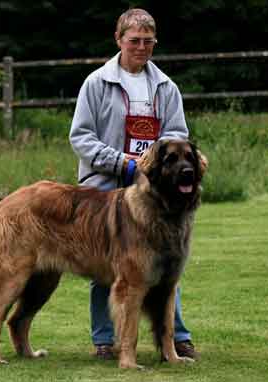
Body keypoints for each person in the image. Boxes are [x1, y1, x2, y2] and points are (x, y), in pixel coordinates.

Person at [69, 8, 200, 361]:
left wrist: (152, 166)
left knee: (167, 261)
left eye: (148, 41)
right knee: (105, 265)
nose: (141, 47)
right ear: (119, 40)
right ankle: (104, 340)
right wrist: (121, 164)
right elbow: (80, 137)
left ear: (154, 42)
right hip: (103, 186)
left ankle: (176, 337)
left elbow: (177, 135)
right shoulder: (96, 83)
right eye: (134, 41)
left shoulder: (165, 86)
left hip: (154, 190)